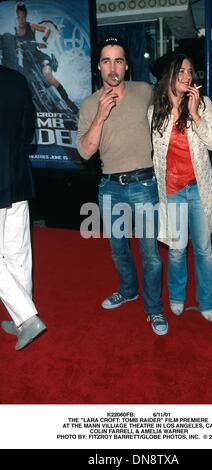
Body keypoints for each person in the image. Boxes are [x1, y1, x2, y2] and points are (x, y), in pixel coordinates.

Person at [77, 36, 167, 336]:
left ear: (126, 66)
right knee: (118, 251)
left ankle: (154, 309)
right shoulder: (90, 104)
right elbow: (85, 151)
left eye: (118, 60)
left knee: (150, 253)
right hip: (110, 188)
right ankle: (128, 290)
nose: (112, 67)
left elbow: (168, 120)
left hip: (144, 184)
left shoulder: (145, 91)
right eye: (106, 61)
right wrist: (101, 115)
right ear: (99, 67)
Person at [150, 54, 212, 321]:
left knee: (204, 249)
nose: (187, 76)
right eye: (181, 71)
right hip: (172, 191)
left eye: (190, 72)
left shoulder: (202, 105)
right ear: (169, 75)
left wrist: (194, 114)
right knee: (178, 249)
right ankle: (177, 296)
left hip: (198, 190)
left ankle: (206, 300)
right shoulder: (154, 111)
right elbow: (154, 155)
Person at [0, 64, 47, 350]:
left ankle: (27, 318)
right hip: (17, 177)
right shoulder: (16, 79)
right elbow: (29, 133)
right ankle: (21, 320)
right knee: (18, 251)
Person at [15, 1, 78, 113]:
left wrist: (43, 41)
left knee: (48, 75)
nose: (21, 19)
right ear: (16, 16)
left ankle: (69, 102)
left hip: (38, 56)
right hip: (26, 61)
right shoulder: (15, 30)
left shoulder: (31, 25)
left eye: (23, 17)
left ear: (25, 16)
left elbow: (47, 30)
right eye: (19, 17)